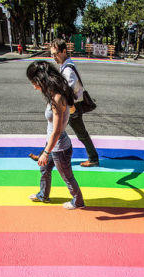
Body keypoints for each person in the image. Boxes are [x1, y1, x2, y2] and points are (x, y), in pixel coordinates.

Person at [30, 38, 99, 167]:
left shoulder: (67, 70)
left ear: (63, 51)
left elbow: (69, 90)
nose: (53, 57)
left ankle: (93, 158)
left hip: (72, 107)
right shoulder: (65, 65)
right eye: (51, 54)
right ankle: (43, 155)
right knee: (55, 130)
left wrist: (63, 103)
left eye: (55, 54)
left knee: (77, 134)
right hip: (68, 106)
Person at [26, 61, 85, 210]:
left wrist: (46, 153)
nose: (33, 87)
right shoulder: (57, 94)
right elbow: (70, 110)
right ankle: (43, 195)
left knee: (67, 177)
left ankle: (78, 201)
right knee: (45, 169)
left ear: (41, 80)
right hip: (54, 145)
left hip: (59, 148)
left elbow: (57, 131)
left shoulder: (57, 98)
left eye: (34, 83)